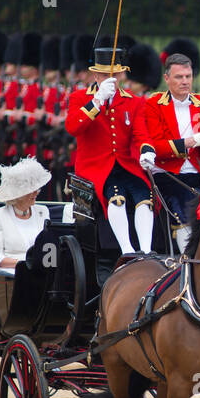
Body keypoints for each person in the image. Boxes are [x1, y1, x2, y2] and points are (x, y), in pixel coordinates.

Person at [66, 42, 155, 256]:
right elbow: (72, 127)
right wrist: (96, 102)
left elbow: (141, 134)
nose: (111, 79)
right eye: (105, 75)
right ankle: (127, 250)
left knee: (145, 195)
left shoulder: (133, 102)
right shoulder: (79, 98)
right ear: (96, 76)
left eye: (114, 75)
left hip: (125, 164)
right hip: (95, 166)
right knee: (117, 195)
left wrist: (147, 150)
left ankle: (146, 250)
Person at [136, 41, 200, 253]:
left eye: (188, 77)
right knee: (185, 205)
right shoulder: (154, 104)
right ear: (167, 79)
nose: (185, 82)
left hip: (196, 173)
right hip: (168, 173)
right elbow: (156, 146)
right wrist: (190, 142)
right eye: (179, 77)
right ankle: (189, 257)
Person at [0, 157, 55, 270]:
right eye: (30, 190)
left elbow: (49, 247)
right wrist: (25, 264)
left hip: (41, 272)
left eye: (37, 189)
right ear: (18, 195)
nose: (36, 193)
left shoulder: (42, 211)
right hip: (13, 272)